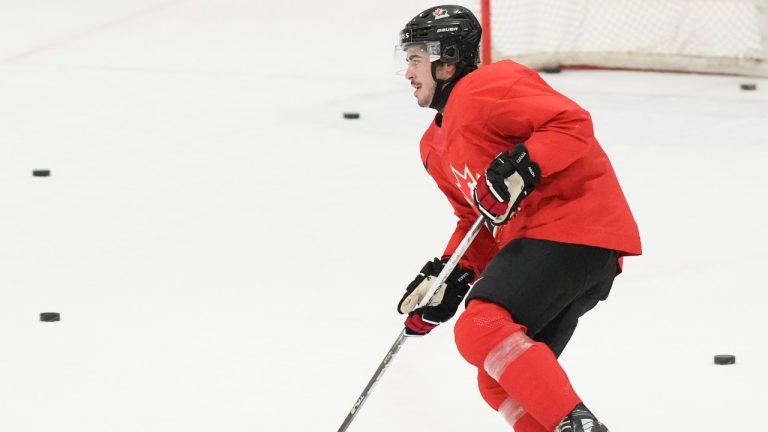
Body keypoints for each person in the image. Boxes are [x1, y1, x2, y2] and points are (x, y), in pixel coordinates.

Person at [395, 5, 642, 432]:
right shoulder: (432, 148)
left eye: (416, 59)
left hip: (573, 226)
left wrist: (524, 164)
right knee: (499, 381)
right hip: (553, 244)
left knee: (480, 326)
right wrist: (450, 275)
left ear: (447, 60)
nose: (408, 72)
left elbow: (571, 124)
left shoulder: (489, 85)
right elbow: (477, 220)